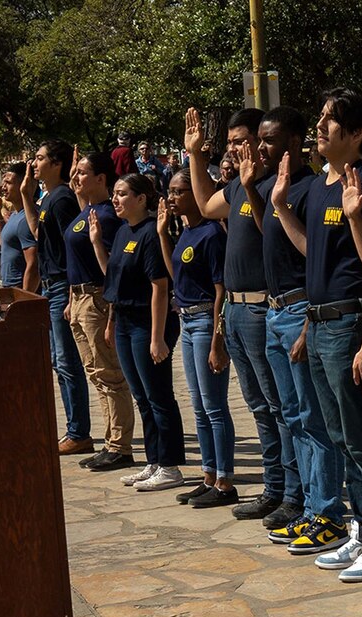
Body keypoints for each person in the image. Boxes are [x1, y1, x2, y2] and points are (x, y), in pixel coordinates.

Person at [270, 85, 362, 583]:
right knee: (338, 436)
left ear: (357, 134)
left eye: (331, 120)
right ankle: (361, 525)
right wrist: (284, 207)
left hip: (352, 324)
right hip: (321, 319)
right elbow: (318, 257)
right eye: (322, 117)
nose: (320, 127)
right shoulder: (318, 188)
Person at [209, 107, 304, 526]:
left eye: (244, 140)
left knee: (283, 409)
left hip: (266, 307)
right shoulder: (244, 184)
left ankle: (293, 493)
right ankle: (274, 488)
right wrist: (197, 157)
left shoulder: (275, 187)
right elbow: (204, 205)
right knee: (261, 407)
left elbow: (274, 234)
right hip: (236, 307)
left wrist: (251, 191)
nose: (241, 148)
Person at [89, 171, 184, 491]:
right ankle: (154, 461)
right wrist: (113, 320)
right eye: (114, 194)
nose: (114, 199)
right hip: (126, 321)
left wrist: (158, 338)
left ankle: (170, 466)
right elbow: (113, 277)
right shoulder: (120, 233)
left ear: (141, 199)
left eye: (121, 194)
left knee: (159, 396)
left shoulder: (150, 233)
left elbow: (160, 287)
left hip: (148, 323)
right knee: (142, 396)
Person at [158, 170, 235, 507]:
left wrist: (218, 339)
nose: (172, 197)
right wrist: (163, 236)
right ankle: (207, 474)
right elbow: (178, 278)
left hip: (206, 320)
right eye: (170, 191)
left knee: (214, 405)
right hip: (186, 320)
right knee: (199, 406)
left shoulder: (211, 233)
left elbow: (221, 290)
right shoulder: (186, 232)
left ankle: (224, 480)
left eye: (179, 191)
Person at [56, 151, 138, 470]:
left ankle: (120, 445)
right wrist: (69, 300)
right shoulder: (88, 210)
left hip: (97, 298)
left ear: (101, 178)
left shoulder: (108, 215)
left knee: (109, 374)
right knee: (95, 374)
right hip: (77, 299)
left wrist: (112, 313)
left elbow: (114, 268)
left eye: (82, 173)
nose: (75, 177)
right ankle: (109, 440)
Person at [19, 141, 98, 459]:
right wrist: (26, 197)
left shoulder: (63, 197)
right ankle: (74, 428)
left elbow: (73, 244)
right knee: (59, 361)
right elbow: (40, 234)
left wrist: (69, 294)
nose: (33, 164)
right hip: (50, 285)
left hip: (62, 285)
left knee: (67, 363)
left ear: (56, 164)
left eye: (39, 158)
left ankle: (79, 432)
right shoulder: (48, 197)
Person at [0, 163, 38, 293]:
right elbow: (6, 244)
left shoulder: (27, 220)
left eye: (8, 183)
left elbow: (33, 263)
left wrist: (25, 297)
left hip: (20, 288)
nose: (3, 187)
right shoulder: (15, 215)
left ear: (24, 184)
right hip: (9, 286)